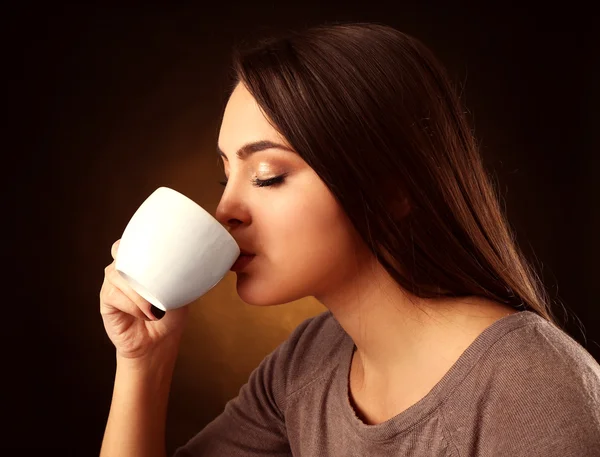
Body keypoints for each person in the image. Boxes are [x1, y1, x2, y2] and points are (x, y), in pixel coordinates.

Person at [99, 22, 600, 456]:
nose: (224, 211)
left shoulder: (531, 389)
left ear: (391, 190)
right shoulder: (307, 362)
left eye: (268, 174)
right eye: (224, 176)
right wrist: (143, 362)